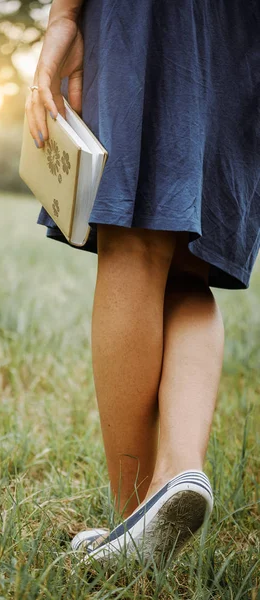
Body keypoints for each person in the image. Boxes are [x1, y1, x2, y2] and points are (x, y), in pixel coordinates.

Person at [24, 0, 260, 569]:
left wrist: (63, 20)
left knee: (134, 235)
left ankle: (134, 527)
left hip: (151, 19)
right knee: (191, 266)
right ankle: (178, 472)